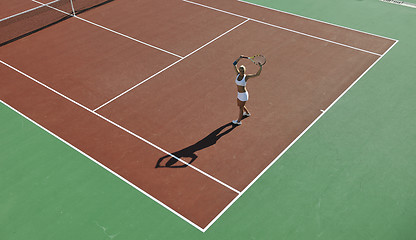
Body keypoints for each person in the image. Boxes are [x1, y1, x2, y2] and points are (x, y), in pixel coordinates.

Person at [232, 55, 263, 125]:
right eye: (240, 70)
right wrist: (239, 58)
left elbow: (257, 74)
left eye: (242, 70)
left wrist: (260, 67)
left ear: (244, 71)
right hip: (239, 94)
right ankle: (247, 113)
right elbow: (234, 64)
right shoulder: (237, 74)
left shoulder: (246, 77)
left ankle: (238, 121)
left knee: (240, 108)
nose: (241, 71)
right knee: (239, 105)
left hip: (243, 95)